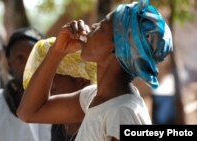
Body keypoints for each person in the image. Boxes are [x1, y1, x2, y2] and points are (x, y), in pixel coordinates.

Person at [17, 0, 173, 140]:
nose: (93, 26)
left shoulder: (122, 113)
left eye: (102, 26)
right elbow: (28, 112)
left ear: (116, 48)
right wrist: (58, 50)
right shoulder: (93, 97)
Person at [22, 37, 96, 141]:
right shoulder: (59, 123)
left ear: (82, 81)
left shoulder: (102, 109)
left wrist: (57, 51)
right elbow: (25, 113)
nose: (45, 99)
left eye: (54, 89)